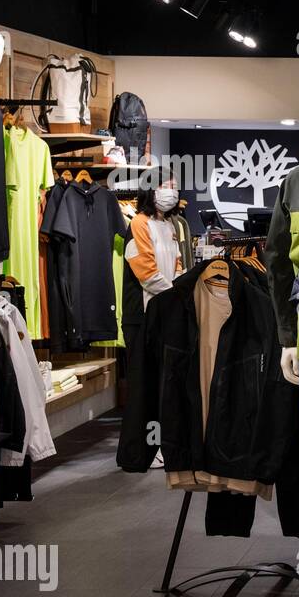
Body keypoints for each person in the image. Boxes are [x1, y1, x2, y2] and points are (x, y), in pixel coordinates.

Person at [117, 178, 183, 471]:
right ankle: (139, 451)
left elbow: (178, 263)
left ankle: (161, 445)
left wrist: (180, 290)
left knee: (162, 381)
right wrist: (174, 295)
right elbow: (145, 270)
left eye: (174, 185)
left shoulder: (171, 226)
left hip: (163, 313)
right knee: (143, 383)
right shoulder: (138, 224)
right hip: (141, 316)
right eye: (164, 185)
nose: (171, 191)